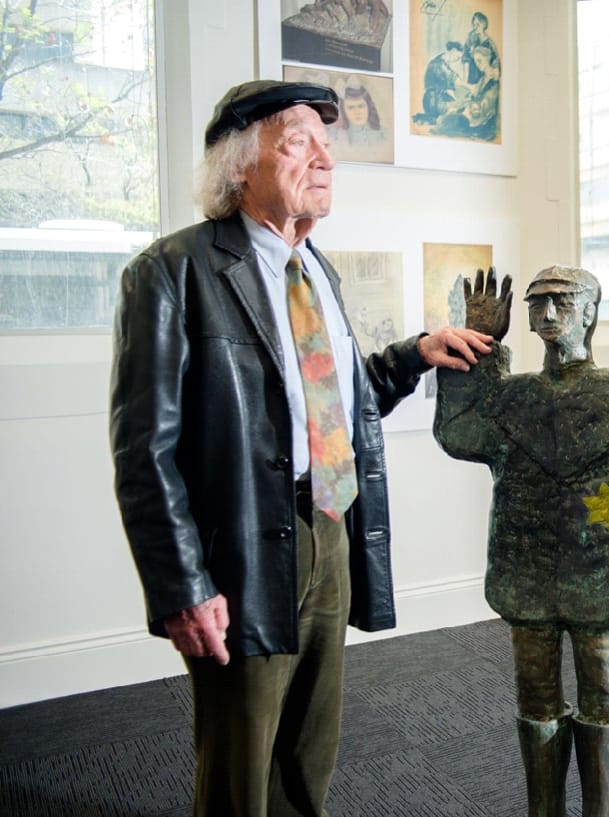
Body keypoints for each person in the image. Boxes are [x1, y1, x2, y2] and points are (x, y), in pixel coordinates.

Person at [109, 80, 492, 817]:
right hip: (242, 547)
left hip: (330, 528)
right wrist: (181, 581)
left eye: (327, 143)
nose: (325, 159)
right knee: (240, 763)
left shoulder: (317, 269)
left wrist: (413, 354)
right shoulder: (171, 272)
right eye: (298, 142)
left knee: (306, 750)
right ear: (237, 166)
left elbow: (335, 410)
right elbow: (142, 450)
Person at [434, 264, 609, 817]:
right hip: (527, 562)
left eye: (563, 301)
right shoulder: (512, 399)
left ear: (591, 311)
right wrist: (481, 351)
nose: (548, 313)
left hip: (603, 567)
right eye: (538, 303)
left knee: (604, 691)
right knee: (535, 695)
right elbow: (460, 431)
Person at [414, 41, 464, 126]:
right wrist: (456, 102)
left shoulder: (443, 63)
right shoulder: (438, 64)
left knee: (457, 110)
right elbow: (449, 85)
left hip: (434, 99)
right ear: (453, 50)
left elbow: (454, 78)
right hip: (433, 100)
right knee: (454, 114)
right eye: (457, 57)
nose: (457, 60)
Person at [329, 75, 386, 146]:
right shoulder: (337, 136)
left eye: (361, 106)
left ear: (369, 107)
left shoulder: (383, 133)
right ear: (344, 111)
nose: (357, 112)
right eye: (351, 108)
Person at [461, 11, 500, 85]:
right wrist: (465, 79)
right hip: (472, 76)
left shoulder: (490, 44)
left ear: (484, 25)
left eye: (478, 25)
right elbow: (465, 58)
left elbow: (495, 64)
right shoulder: (471, 39)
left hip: (486, 78)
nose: (475, 27)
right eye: (474, 25)